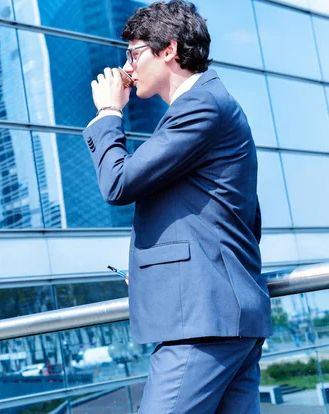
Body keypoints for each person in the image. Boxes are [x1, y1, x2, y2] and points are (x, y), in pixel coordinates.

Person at [83, 1, 272, 412]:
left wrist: (108, 113)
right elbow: (240, 217)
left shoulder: (200, 106)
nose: (127, 67)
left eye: (134, 53)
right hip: (223, 316)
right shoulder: (208, 105)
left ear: (168, 50)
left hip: (205, 322)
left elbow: (118, 183)